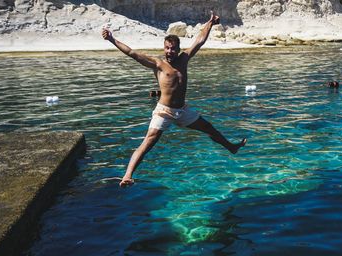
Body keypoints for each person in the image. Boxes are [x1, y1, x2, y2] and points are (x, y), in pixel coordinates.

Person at [102, 11, 247, 187]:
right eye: (167, 48)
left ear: (178, 49)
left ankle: (231, 147)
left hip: (182, 110)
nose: (169, 51)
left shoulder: (184, 59)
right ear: (164, 48)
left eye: (173, 48)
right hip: (164, 111)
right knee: (149, 141)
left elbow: (200, 40)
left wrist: (210, 23)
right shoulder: (158, 64)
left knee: (209, 128)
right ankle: (127, 175)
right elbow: (132, 52)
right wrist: (111, 39)